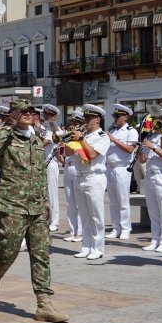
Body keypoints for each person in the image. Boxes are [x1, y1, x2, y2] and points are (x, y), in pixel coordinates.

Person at [0, 99, 68, 323]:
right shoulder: (5, 138)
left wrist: (44, 202)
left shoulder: (35, 140)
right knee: (7, 253)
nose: (27, 114)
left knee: (41, 254)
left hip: (35, 206)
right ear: (13, 114)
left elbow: (38, 173)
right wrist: (8, 125)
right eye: (21, 111)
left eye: (30, 111)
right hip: (11, 206)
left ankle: (44, 304)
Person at [70, 104, 110, 260]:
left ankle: (98, 248)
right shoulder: (83, 136)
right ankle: (86, 246)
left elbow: (92, 154)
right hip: (80, 176)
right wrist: (69, 138)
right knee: (84, 215)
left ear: (97, 120)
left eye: (88, 118)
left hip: (94, 176)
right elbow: (68, 152)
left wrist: (81, 139)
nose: (85, 121)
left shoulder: (102, 136)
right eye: (85, 118)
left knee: (96, 215)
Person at [138, 108, 162, 253]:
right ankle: (155, 239)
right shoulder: (151, 137)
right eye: (154, 119)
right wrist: (141, 151)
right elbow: (144, 159)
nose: (154, 122)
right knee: (153, 211)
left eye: (159, 119)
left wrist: (154, 148)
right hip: (150, 175)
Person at [105, 104, 138, 240]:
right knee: (113, 200)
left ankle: (125, 228)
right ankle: (115, 227)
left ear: (125, 117)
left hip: (122, 167)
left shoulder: (131, 131)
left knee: (123, 200)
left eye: (118, 116)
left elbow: (130, 149)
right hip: (110, 167)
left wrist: (114, 140)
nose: (116, 118)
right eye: (114, 115)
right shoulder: (112, 130)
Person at [62, 111, 84, 242]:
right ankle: (73, 230)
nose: (73, 125)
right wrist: (67, 139)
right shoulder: (70, 136)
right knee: (70, 202)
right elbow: (67, 152)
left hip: (77, 167)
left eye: (76, 123)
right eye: (72, 123)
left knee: (79, 202)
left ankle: (80, 232)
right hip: (68, 166)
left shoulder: (83, 136)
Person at [41, 104, 62, 232]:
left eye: (48, 115)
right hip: (42, 163)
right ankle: (47, 218)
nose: (45, 117)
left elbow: (45, 143)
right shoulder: (45, 129)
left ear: (54, 117)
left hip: (51, 163)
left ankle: (55, 220)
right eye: (45, 115)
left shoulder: (56, 130)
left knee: (52, 194)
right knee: (43, 194)